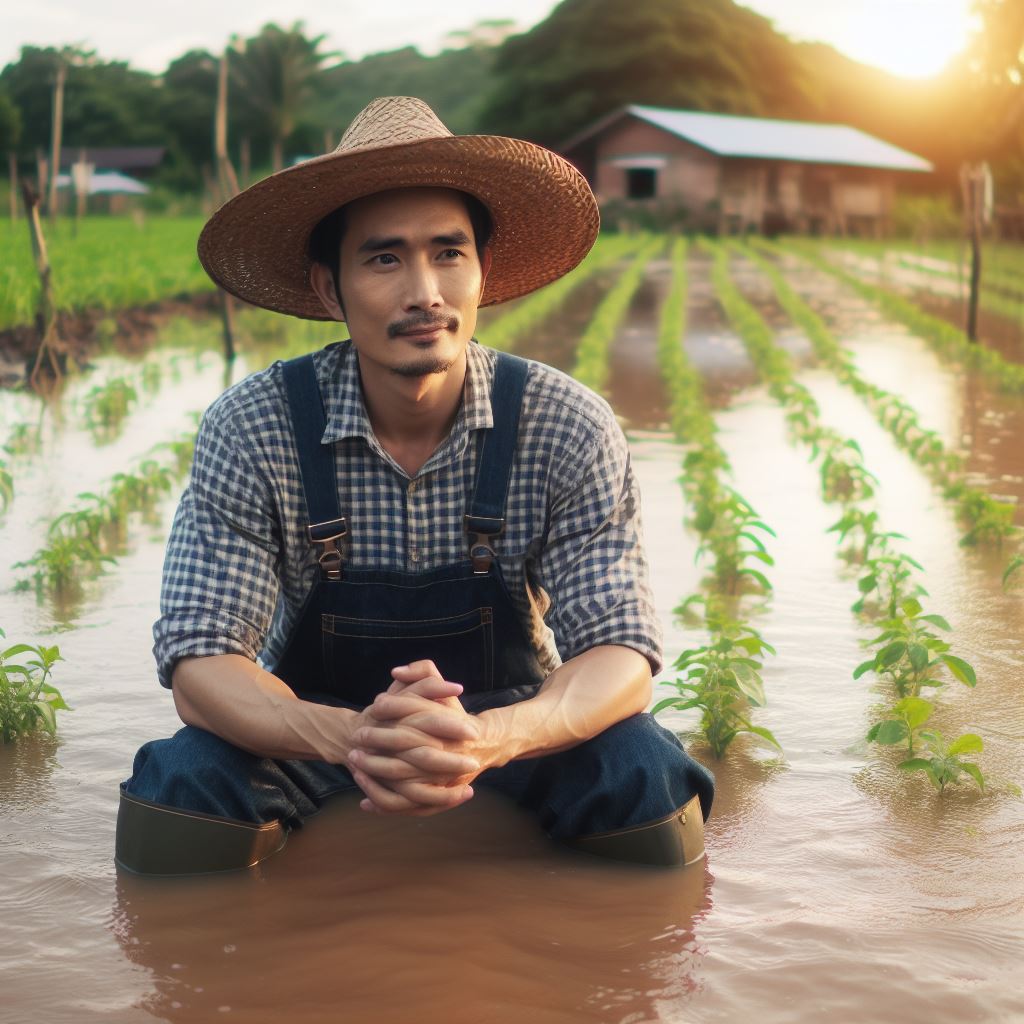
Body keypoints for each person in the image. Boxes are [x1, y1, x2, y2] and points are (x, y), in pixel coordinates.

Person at [115, 96, 714, 876]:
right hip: (309, 732)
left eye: (449, 253)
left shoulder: (566, 423)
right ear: (329, 289)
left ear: (483, 273)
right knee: (182, 792)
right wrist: (353, 737)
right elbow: (201, 665)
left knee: (646, 781)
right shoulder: (254, 427)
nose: (424, 291)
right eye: (385, 258)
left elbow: (620, 651)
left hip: (511, 732)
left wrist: (488, 739)